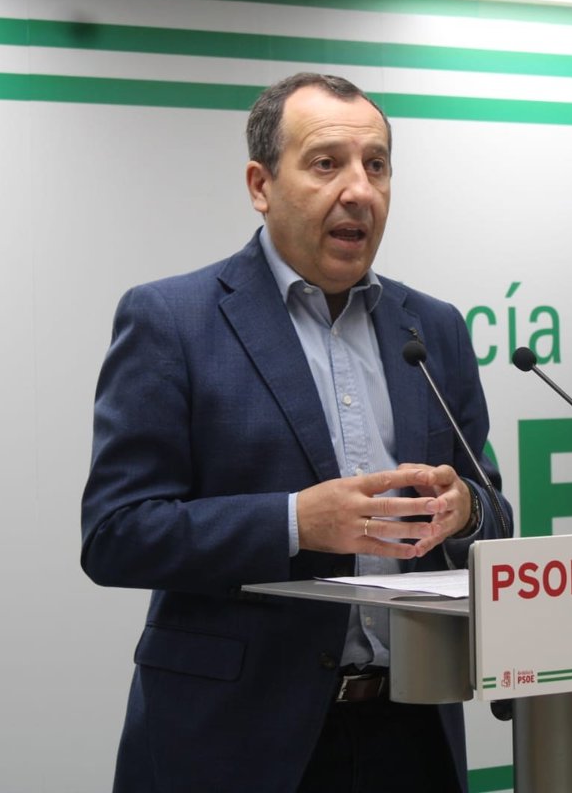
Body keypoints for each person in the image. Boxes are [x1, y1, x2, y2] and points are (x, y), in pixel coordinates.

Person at [81, 72, 513, 793]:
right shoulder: (173, 320)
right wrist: (294, 523)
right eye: (326, 163)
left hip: (412, 729)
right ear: (261, 184)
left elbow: (494, 511)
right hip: (236, 739)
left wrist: (466, 509)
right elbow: (116, 533)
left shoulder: (432, 328)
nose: (359, 190)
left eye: (376, 165)